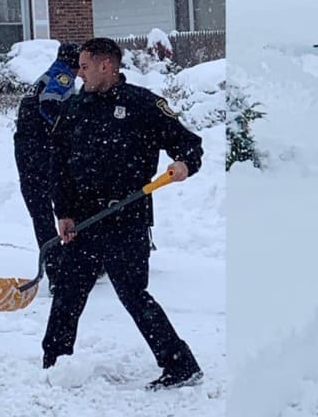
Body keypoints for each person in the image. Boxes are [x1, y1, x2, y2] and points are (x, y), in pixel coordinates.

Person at [43, 37, 204, 390]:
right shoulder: (74, 109)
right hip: (84, 220)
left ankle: (180, 365)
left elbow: (188, 144)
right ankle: (54, 363)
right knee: (69, 291)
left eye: (85, 66)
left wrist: (183, 164)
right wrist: (64, 212)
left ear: (106, 65)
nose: (79, 73)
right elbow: (59, 165)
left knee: (133, 294)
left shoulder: (142, 104)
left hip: (126, 216)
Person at [13, 42, 80, 293]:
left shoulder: (42, 77)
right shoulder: (62, 75)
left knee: (40, 212)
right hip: (42, 150)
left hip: (25, 150)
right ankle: (77, 264)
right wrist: (65, 129)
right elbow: (50, 103)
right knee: (68, 202)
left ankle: (56, 269)